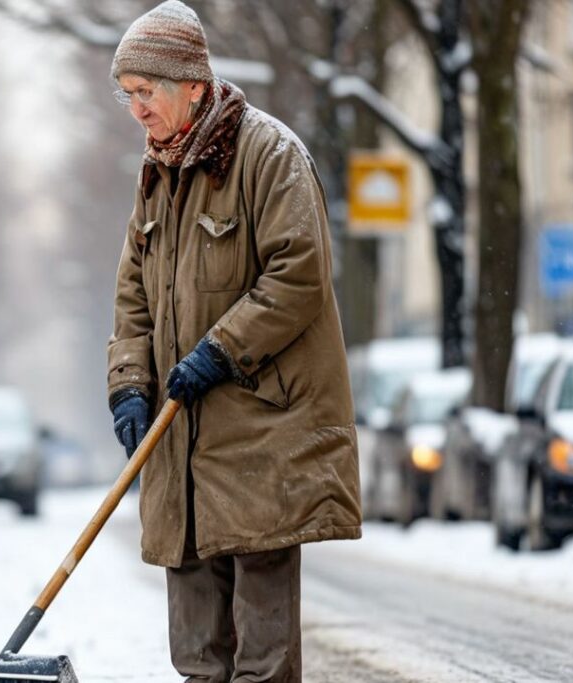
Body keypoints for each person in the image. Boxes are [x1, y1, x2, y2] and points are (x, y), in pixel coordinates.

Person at [106, 3, 362, 681]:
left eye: (146, 93)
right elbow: (133, 294)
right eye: (127, 95)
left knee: (263, 654)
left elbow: (299, 272)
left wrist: (220, 350)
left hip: (260, 433)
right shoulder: (158, 174)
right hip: (180, 435)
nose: (137, 111)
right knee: (196, 650)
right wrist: (129, 385)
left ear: (192, 84)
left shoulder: (270, 156)